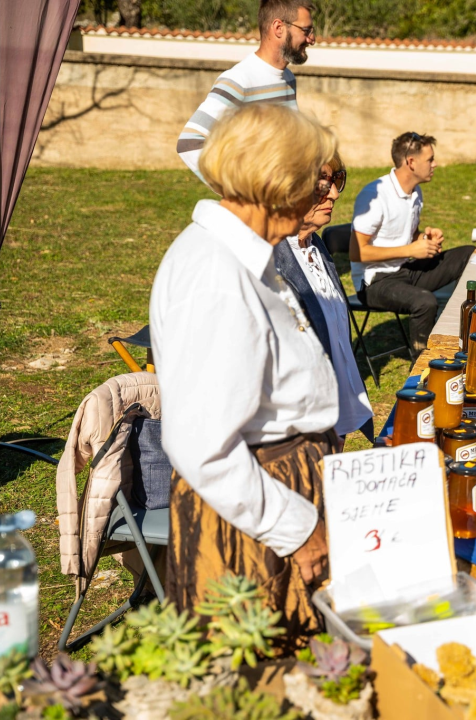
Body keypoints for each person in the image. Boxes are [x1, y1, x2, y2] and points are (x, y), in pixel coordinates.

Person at [151, 104, 338, 647]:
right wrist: (297, 529)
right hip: (255, 518)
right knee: (261, 667)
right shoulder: (216, 276)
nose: (320, 192)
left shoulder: (250, 256)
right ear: (279, 181)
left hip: (280, 493)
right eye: (313, 179)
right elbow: (203, 448)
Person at [274, 150, 375, 448]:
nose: (334, 194)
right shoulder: (269, 259)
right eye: (322, 183)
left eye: (337, 180)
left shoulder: (315, 246)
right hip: (297, 431)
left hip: (334, 416)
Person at [350, 132, 474, 353]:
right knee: (424, 302)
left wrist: (424, 239)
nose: (435, 164)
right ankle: (421, 366)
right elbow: (357, 252)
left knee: (470, 254)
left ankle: (461, 336)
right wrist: (410, 249)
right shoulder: (375, 195)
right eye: (430, 159)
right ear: (411, 162)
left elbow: (409, 234)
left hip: (406, 270)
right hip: (374, 281)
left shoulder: (415, 192)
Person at [176, 0, 316, 181]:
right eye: (306, 30)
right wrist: (239, 192)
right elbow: (189, 143)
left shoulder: (288, 78)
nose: (312, 39)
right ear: (278, 28)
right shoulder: (239, 80)